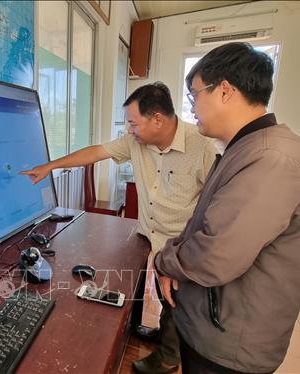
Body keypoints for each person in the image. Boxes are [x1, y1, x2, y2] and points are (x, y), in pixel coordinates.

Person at [21, 82, 216, 373]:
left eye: (133, 123)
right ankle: (155, 332)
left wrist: (193, 250)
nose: (129, 131)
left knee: (179, 301)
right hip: (151, 234)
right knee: (157, 291)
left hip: (181, 244)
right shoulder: (136, 142)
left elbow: (214, 203)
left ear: (158, 120)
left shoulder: (201, 147)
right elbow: (96, 152)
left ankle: (168, 357)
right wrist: (51, 166)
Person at [154, 42, 300, 373]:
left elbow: (216, 252)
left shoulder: (271, 159)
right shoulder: (248, 148)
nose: (191, 108)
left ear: (225, 91)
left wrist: (164, 262)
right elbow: (205, 223)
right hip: (213, 325)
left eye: (194, 95)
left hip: (228, 344)